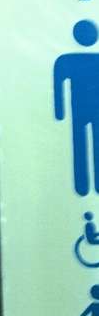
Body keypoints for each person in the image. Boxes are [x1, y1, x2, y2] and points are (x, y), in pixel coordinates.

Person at [54, 19, 99, 196]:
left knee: (80, 144)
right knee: (89, 144)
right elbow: (58, 87)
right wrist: (59, 112)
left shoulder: (67, 60)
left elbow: (58, 87)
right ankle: (86, 185)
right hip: (87, 111)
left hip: (79, 111)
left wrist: (60, 112)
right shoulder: (67, 60)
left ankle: (83, 185)